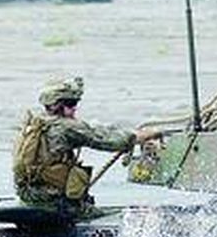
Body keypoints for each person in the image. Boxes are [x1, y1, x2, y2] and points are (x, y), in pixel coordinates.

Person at [12, 76, 159, 208]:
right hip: (52, 199)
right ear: (55, 105)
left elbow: (96, 131)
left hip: (29, 196)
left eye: (75, 103)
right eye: (70, 103)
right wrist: (145, 135)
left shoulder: (34, 124)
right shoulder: (66, 127)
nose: (75, 108)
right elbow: (110, 141)